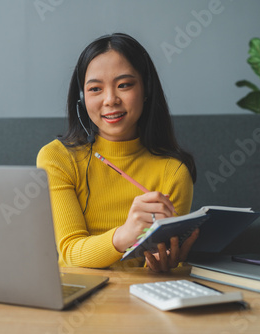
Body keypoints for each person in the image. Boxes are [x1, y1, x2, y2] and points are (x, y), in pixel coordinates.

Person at [37, 33, 198, 272]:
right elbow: (70, 252)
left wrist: (163, 265)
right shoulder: (57, 158)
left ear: (146, 89)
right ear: (82, 97)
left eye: (124, 85)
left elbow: (153, 265)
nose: (110, 99)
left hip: (137, 297)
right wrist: (125, 235)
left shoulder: (173, 172)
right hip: (75, 293)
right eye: (95, 89)